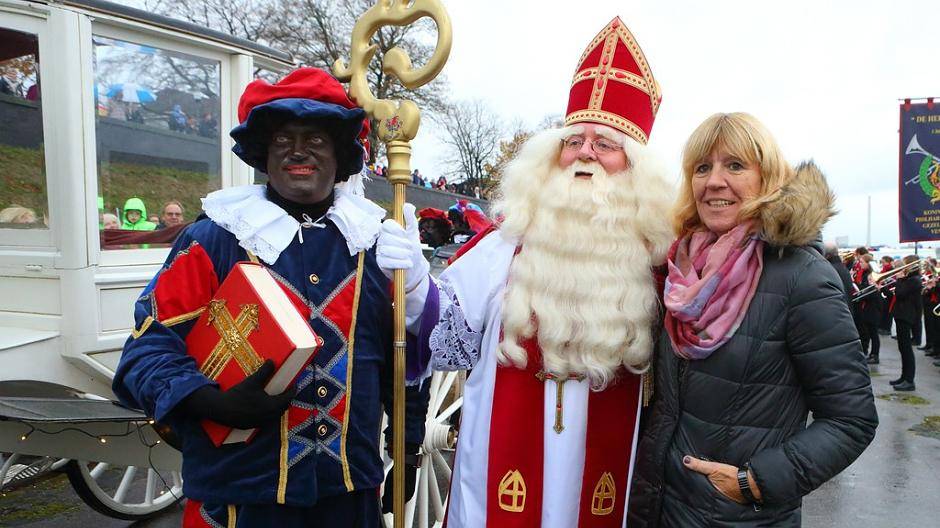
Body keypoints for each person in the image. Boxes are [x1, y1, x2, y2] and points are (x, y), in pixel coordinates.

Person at [378, 17, 675, 526]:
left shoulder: (658, 263)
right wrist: (412, 279)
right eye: (573, 140)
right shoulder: (505, 245)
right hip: (499, 471)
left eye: (604, 144)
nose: (585, 153)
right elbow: (445, 329)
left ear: (636, 168)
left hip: (613, 479)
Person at [112, 67, 428, 527]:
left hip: (349, 495)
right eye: (283, 140)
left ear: (340, 154)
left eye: (315, 139)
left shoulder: (375, 244)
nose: (298, 151)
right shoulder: (214, 240)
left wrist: (407, 447)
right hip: (242, 498)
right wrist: (208, 401)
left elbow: (405, 361)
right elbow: (147, 350)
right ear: (265, 153)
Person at [629, 112, 877, 527]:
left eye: (736, 165)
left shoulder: (802, 277)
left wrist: (754, 482)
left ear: (768, 178)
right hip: (661, 509)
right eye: (702, 167)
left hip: (739, 516)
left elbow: (851, 420)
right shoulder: (681, 268)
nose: (714, 181)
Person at [890, 255, 921, 391]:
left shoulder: (914, 280)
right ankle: (904, 376)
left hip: (906, 316)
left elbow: (900, 293)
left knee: (906, 349)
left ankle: (909, 380)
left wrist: (899, 279)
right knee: (902, 348)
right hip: (902, 315)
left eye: (905, 265)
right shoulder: (910, 279)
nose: (904, 267)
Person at [856, 254, 883, 364]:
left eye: (862, 262)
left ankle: (875, 355)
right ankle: (870, 353)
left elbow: (873, 293)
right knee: (869, 332)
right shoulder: (865, 274)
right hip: (867, 306)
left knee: (873, 333)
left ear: (868, 263)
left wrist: (862, 290)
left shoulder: (872, 275)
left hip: (873, 306)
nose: (860, 264)